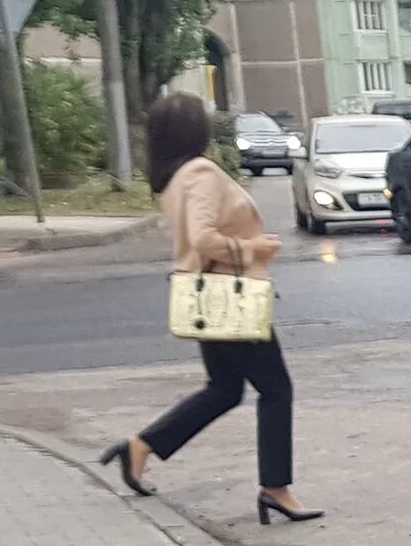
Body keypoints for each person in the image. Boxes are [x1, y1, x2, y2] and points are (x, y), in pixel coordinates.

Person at [99, 92, 323, 524]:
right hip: (229, 294)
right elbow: (203, 239)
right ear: (195, 130)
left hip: (204, 293)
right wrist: (252, 248)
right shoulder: (200, 172)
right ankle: (275, 487)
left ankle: (140, 447)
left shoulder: (172, 178)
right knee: (276, 389)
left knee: (223, 388)